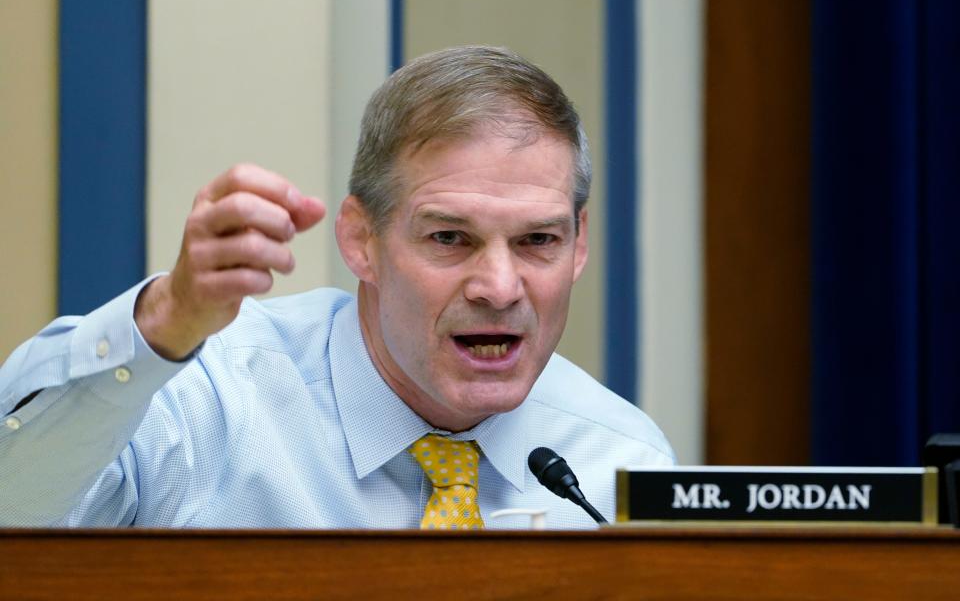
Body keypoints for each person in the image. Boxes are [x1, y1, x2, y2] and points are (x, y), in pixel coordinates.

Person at [0, 46, 673, 529]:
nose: (499, 288)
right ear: (360, 240)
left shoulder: (617, 461)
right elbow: (15, 504)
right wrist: (168, 318)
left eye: (538, 241)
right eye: (448, 238)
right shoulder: (213, 403)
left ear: (579, 244)